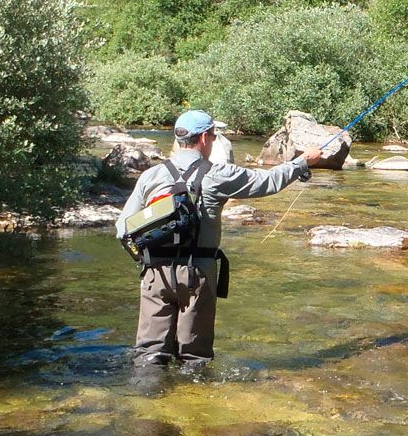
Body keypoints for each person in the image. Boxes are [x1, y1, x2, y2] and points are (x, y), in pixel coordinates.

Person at [115, 109, 322, 367]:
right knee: (194, 358)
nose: (213, 141)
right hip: (196, 274)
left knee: (149, 356)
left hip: (154, 274)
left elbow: (122, 228)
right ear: (203, 138)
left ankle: (146, 401)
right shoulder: (218, 174)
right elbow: (268, 181)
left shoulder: (151, 176)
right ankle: (194, 403)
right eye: (213, 135)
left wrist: (147, 260)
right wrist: (303, 162)